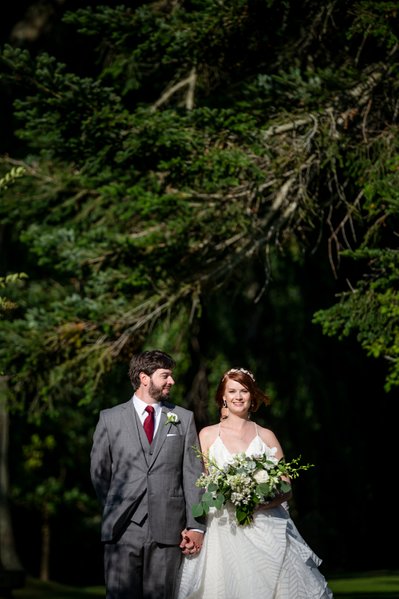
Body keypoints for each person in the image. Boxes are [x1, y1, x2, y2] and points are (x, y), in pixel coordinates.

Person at [176, 367, 334, 599]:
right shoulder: (207, 435)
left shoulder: (266, 436)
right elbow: (201, 485)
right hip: (223, 528)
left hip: (267, 525)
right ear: (223, 397)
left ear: (252, 397)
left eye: (244, 391)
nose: (238, 396)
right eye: (232, 391)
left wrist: (259, 502)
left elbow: (286, 487)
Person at [90, 349, 206, 599]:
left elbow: (193, 474)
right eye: (165, 375)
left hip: (169, 529)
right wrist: (115, 507)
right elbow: (99, 473)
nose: (171, 381)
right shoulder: (109, 419)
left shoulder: (183, 419)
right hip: (122, 528)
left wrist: (196, 525)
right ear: (144, 378)